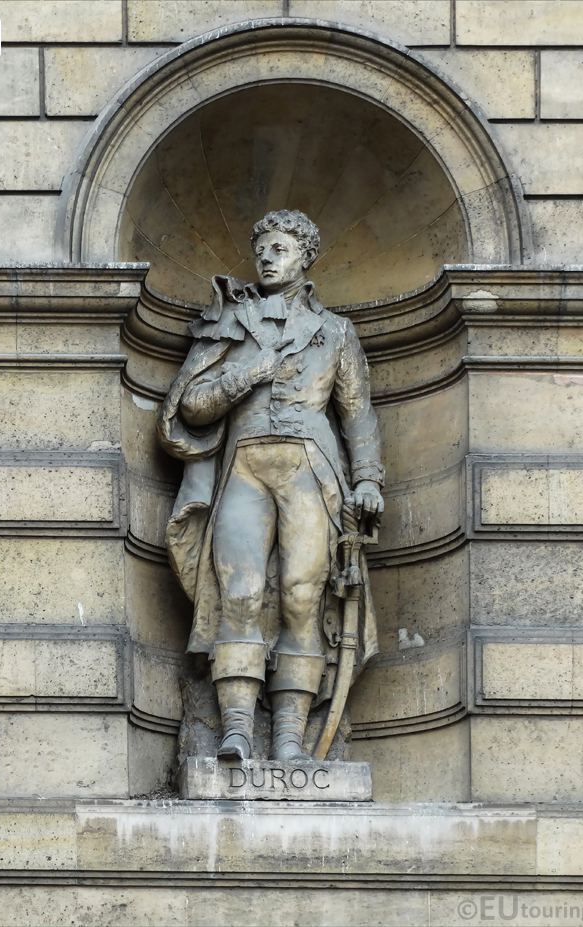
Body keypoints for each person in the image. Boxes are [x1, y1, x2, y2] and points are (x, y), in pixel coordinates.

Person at [158, 209, 384, 762]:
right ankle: (236, 726)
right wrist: (247, 373)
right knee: (239, 591)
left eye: (279, 249)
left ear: (305, 256)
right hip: (245, 466)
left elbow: (356, 414)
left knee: (302, 598)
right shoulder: (231, 323)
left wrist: (369, 479)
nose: (266, 258)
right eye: (261, 249)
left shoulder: (334, 331)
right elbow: (192, 405)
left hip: (312, 471)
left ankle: (288, 736)